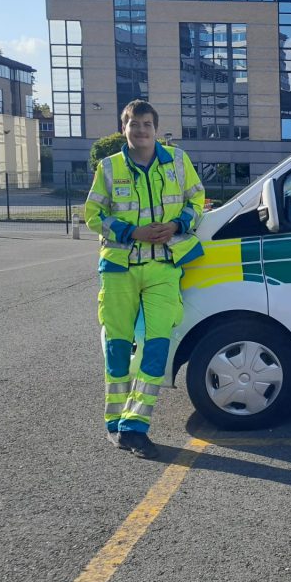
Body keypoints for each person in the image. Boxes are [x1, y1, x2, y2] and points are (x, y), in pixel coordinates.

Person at [85, 100, 205, 458]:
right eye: (134, 124)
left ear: (156, 129)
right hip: (121, 268)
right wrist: (131, 232)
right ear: (124, 128)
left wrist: (178, 224)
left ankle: (136, 426)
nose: (140, 130)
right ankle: (115, 422)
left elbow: (197, 200)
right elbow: (93, 214)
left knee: (157, 346)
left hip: (164, 267)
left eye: (147, 124)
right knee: (118, 347)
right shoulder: (109, 167)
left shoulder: (177, 161)